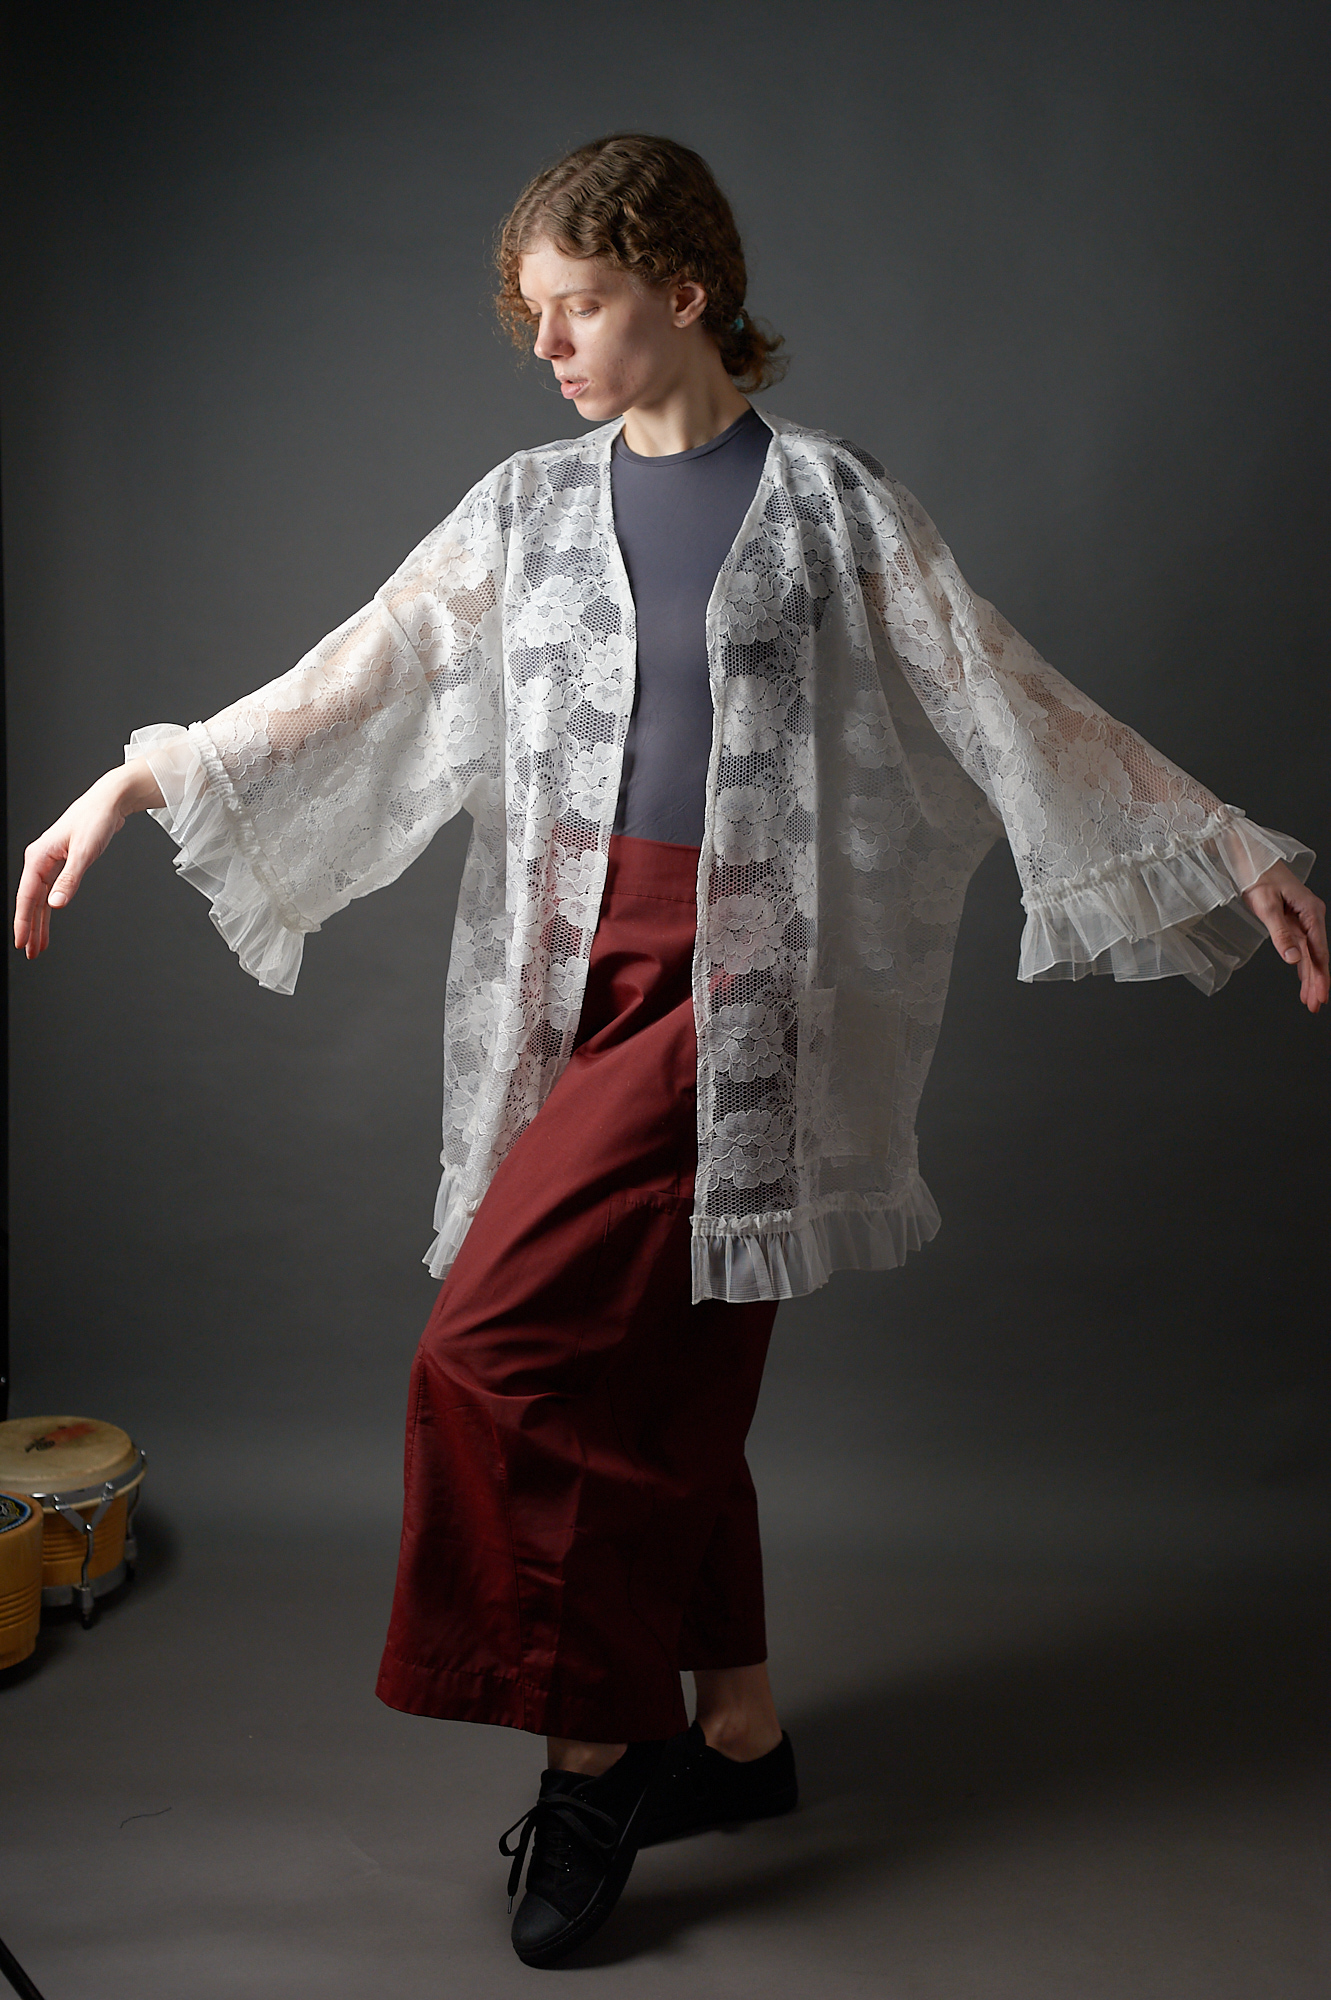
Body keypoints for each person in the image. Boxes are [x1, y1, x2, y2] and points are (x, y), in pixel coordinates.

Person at [13, 134, 1326, 1968]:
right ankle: (740, 1735)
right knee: (666, 1374)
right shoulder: (521, 509)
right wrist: (140, 776)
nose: (548, 346)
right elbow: (363, 670)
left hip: (744, 986)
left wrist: (1228, 846)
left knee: (491, 1353)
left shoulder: (836, 508)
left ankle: (599, 1754)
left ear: (686, 293)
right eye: (533, 314)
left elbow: (999, 689)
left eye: (582, 307)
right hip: (561, 974)